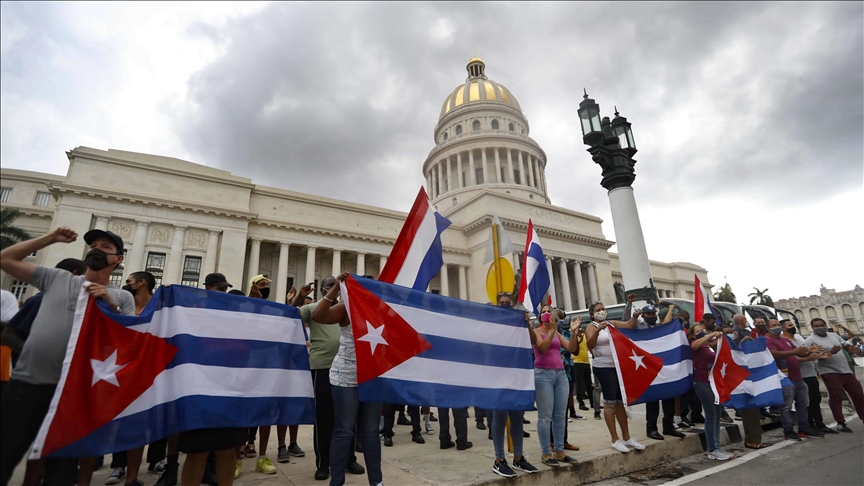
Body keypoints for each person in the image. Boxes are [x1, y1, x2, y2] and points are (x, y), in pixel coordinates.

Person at [0, 227, 136, 486]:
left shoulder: (122, 296)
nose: (97, 249)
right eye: (93, 245)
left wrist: (110, 305)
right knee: (5, 455)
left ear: (118, 259)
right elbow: (5, 259)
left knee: (61, 471)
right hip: (27, 386)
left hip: (74, 395)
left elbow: (130, 340)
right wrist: (50, 239)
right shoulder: (58, 279)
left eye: (106, 247)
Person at [107, 272, 179, 486]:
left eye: (129, 282)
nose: (126, 285)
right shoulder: (123, 308)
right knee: (123, 420)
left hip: (152, 371)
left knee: (156, 417)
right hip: (125, 370)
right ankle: (119, 464)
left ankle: (156, 459)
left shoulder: (159, 308)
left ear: (141, 283)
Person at [177, 273, 249, 486]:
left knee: (227, 450)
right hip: (200, 389)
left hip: (229, 389)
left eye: (225, 289)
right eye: (219, 288)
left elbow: (244, 346)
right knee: (197, 452)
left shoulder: (232, 315)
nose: (222, 293)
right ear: (208, 287)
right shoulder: (193, 312)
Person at [311, 274, 382, 486]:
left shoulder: (381, 310)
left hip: (372, 376)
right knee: (344, 429)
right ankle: (337, 482)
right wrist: (337, 289)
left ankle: (377, 482)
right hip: (345, 376)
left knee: (370, 431)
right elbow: (318, 316)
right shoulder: (346, 307)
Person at [291, 278, 364, 482]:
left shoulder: (348, 309)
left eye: (336, 284)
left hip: (348, 370)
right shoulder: (314, 308)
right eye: (329, 285)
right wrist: (300, 296)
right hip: (322, 368)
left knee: (348, 418)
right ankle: (323, 463)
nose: (333, 287)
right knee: (323, 418)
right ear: (324, 289)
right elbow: (290, 314)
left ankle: (349, 459)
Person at [585, 302, 646, 454]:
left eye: (603, 309)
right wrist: (598, 331)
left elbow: (629, 325)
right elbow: (590, 344)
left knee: (620, 402)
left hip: (617, 366)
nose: (602, 312)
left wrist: (635, 316)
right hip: (603, 367)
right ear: (593, 314)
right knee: (610, 402)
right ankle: (614, 439)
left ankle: (626, 437)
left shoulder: (611, 324)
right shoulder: (591, 326)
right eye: (598, 310)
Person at [489, 292, 538, 478]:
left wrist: (526, 324)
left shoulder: (520, 322)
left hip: (517, 375)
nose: (505, 306)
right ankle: (499, 460)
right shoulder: (492, 324)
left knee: (517, 416)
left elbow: (534, 342)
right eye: (502, 303)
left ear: (514, 304)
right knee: (499, 416)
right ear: (496, 304)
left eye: (508, 303)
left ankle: (518, 457)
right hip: (499, 376)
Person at [529, 305, 579, 468]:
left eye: (549, 311)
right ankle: (546, 453)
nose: (546, 313)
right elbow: (542, 349)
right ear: (539, 316)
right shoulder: (536, 332)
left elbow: (571, 348)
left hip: (560, 375)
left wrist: (572, 332)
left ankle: (559, 450)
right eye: (543, 311)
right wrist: (550, 331)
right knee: (545, 416)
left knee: (559, 415)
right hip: (543, 375)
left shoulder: (557, 332)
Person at [765, 319, 825, 441]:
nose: (777, 327)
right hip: (784, 378)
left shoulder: (785, 340)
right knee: (786, 406)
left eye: (777, 325)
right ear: (767, 328)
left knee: (803, 404)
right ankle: (788, 431)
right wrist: (795, 351)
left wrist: (809, 351)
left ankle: (804, 428)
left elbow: (798, 354)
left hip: (798, 377)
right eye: (773, 325)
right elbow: (774, 354)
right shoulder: (767, 340)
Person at [803, 318, 864, 432]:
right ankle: (840, 422)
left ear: (826, 325)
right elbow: (810, 356)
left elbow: (846, 346)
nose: (820, 327)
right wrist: (831, 352)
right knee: (837, 397)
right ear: (812, 327)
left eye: (822, 325)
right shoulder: (810, 340)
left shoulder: (833, 336)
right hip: (829, 372)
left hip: (846, 370)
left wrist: (853, 350)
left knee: (859, 394)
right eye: (816, 326)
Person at [782, 320, 837, 435]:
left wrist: (817, 355)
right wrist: (808, 358)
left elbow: (806, 353)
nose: (793, 327)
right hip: (800, 375)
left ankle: (820, 424)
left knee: (816, 400)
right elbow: (791, 359)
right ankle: (810, 425)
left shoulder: (799, 338)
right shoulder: (784, 341)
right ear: (784, 328)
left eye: (793, 324)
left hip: (811, 373)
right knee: (806, 402)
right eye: (790, 325)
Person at [639, 305, 685, 441]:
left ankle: (668, 426)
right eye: (648, 314)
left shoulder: (660, 327)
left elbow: (667, 326)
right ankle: (651, 429)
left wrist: (671, 312)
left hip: (664, 367)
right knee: (652, 399)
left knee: (669, 398)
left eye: (653, 313)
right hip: (649, 369)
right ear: (643, 315)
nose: (651, 316)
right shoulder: (639, 327)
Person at [687, 324, 732, 460]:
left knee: (717, 416)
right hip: (702, 382)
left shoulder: (707, 347)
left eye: (703, 330)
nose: (702, 332)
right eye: (698, 331)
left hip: (713, 383)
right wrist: (709, 335)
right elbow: (694, 346)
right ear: (693, 335)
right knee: (711, 416)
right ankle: (712, 449)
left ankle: (717, 446)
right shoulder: (696, 343)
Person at [729, 314, 766, 449]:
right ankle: (752, 439)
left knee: (753, 408)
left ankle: (755, 438)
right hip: (743, 374)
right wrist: (743, 340)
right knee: (749, 409)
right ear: (742, 321)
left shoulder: (745, 331)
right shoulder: (736, 332)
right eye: (745, 319)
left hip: (751, 372)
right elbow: (733, 348)